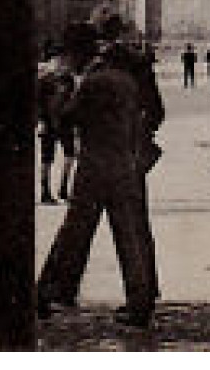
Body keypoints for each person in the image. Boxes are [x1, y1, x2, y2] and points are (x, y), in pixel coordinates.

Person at [36, 22, 159, 328]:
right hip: (125, 166)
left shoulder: (91, 82)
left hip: (94, 167)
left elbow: (64, 118)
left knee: (74, 232)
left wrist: (63, 90)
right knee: (129, 235)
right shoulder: (125, 79)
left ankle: (48, 292)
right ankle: (139, 303)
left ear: (77, 54)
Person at [37, 40, 77, 204]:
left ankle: (63, 189)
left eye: (63, 59)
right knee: (47, 158)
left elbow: (72, 100)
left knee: (69, 155)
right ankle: (45, 191)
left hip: (64, 121)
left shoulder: (68, 78)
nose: (61, 62)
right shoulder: (45, 79)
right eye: (59, 59)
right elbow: (39, 102)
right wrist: (40, 121)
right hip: (49, 121)